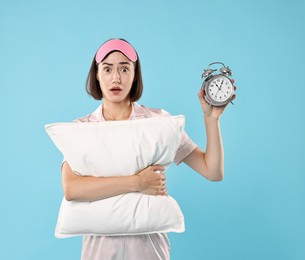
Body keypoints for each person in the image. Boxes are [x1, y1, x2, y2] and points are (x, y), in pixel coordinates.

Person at [61, 38, 236, 260]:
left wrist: (211, 120)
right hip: (99, 253)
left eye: (124, 68)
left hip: (150, 252)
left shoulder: (159, 123)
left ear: (135, 75)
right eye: (107, 69)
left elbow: (212, 171)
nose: (116, 78)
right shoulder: (82, 129)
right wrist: (138, 183)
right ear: (97, 74)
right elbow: (72, 189)